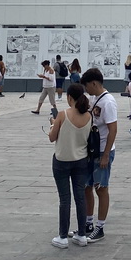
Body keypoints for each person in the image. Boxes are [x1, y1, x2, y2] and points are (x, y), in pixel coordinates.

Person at [48, 82, 92, 248]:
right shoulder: (89, 115)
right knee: (80, 197)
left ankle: (62, 236)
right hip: (81, 160)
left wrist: (53, 123)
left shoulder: (62, 114)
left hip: (61, 160)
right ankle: (81, 234)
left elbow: (52, 137)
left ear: (69, 97)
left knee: (64, 199)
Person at [81, 68, 118, 243]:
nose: (86, 90)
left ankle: (100, 227)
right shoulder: (95, 99)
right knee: (87, 186)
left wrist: (105, 155)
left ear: (94, 83)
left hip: (103, 150)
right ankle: (88, 223)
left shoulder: (108, 102)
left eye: (87, 86)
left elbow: (113, 129)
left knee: (101, 188)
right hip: (92, 150)